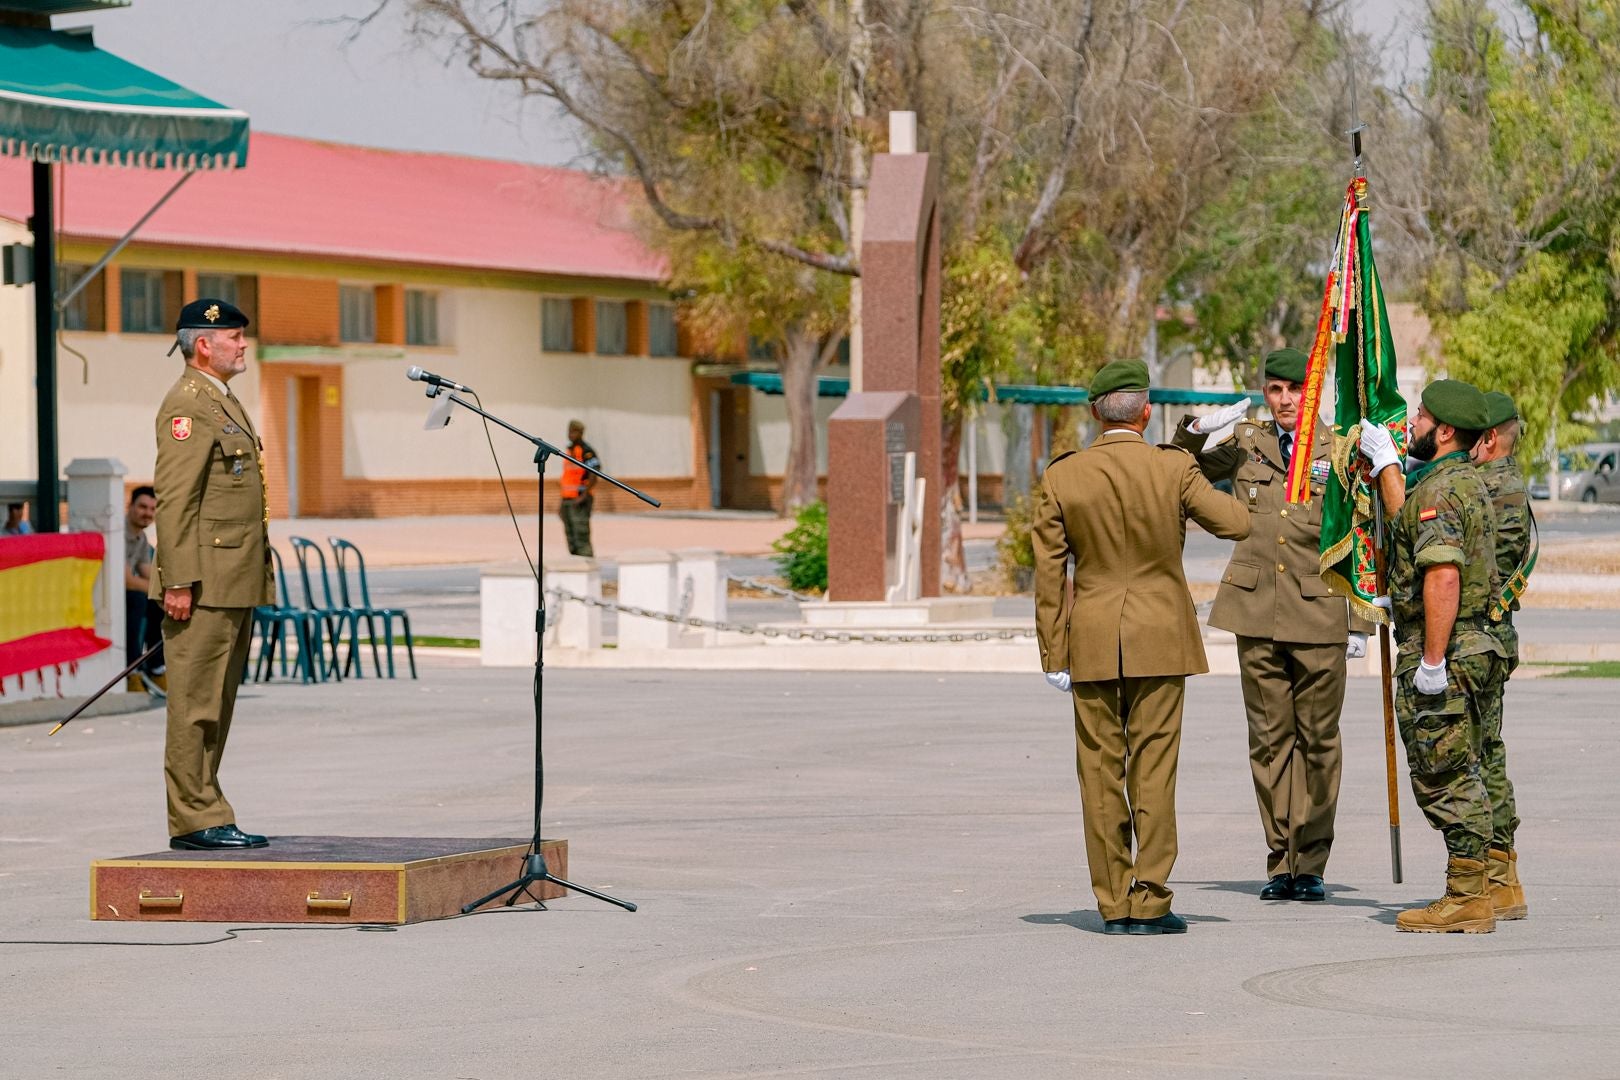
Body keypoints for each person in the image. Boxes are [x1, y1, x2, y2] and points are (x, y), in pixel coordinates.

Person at [1034, 359, 1251, 936]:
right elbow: (1236, 523)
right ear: (1147, 411)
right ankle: (1150, 899)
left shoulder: (1064, 476)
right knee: (1153, 770)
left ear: (1094, 412)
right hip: (1160, 636)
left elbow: (1049, 575)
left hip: (1092, 639)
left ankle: (1112, 903)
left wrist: (1053, 652)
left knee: (1099, 773)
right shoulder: (1173, 467)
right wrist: (1197, 453)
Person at [1170, 347, 1370, 902]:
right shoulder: (1246, 443)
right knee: (1268, 740)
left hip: (1320, 610)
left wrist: (1359, 619)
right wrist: (1194, 431)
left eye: (1296, 389)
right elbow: (1175, 472)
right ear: (1265, 393)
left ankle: (1312, 862)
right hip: (1255, 610)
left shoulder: (1341, 449)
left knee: (1319, 741)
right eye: (1276, 390)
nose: (1286, 400)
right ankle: (1281, 860)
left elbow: (1361, 531)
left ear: (1314, 390)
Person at [1361, 379, 1503, 933]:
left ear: (1444, 431)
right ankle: (1480, 887)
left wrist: (1432, 661)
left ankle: (1467, 897)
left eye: (1419, 416)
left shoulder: (1441, 491)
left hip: (1450, 651)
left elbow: (1442, 575)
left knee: (1443, 774)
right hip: (1476, 646)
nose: (1411, 424)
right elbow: (1411, 537)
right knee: (1466, 767)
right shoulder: (1462, 481)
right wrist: (1388, 470)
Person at [152, 298, 275, 851]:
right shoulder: (188, 404)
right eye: (234, 336)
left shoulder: (220, 399)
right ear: (203, 344)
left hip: (231, 578)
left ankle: (207, 809)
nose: (243, 344)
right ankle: (194, 817)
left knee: (217, 704)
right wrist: (178, 581)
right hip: (202, 583)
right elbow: (175, 500)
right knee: (195, 704)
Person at [1470, 390, 1531, 920]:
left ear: (1488, 438)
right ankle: (1501, 877)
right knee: (1487, 752)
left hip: (1479, 640)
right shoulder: (1499, 483)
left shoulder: (1494, 488)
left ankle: (1494, 875)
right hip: (1490, 640)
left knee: (1478, 756)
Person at [124, 486, 167, 695]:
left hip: (126, 595)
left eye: (152, 509)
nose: (147, 513)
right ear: (130, 506)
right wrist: (160, 593)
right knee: (138, 599)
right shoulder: (118, 533)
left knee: (159, 604)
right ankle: (131, 671)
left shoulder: (140, 538)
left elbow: (147, 572)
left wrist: (167, 593)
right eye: (142, 507)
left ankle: (156, 667)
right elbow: (127, 581)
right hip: (105, 597)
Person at [559, 419, 600, 557]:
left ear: (581, 433)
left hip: (580, 499)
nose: (571, 434)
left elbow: (594, 475)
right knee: (571, 536)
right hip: (567, 499)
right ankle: (576, 563)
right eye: (570, 431)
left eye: (574, 432)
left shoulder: (586, 451)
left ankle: (587, 563)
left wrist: (584, 496)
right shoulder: (568, 450)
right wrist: (562, 502)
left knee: (581, 535)